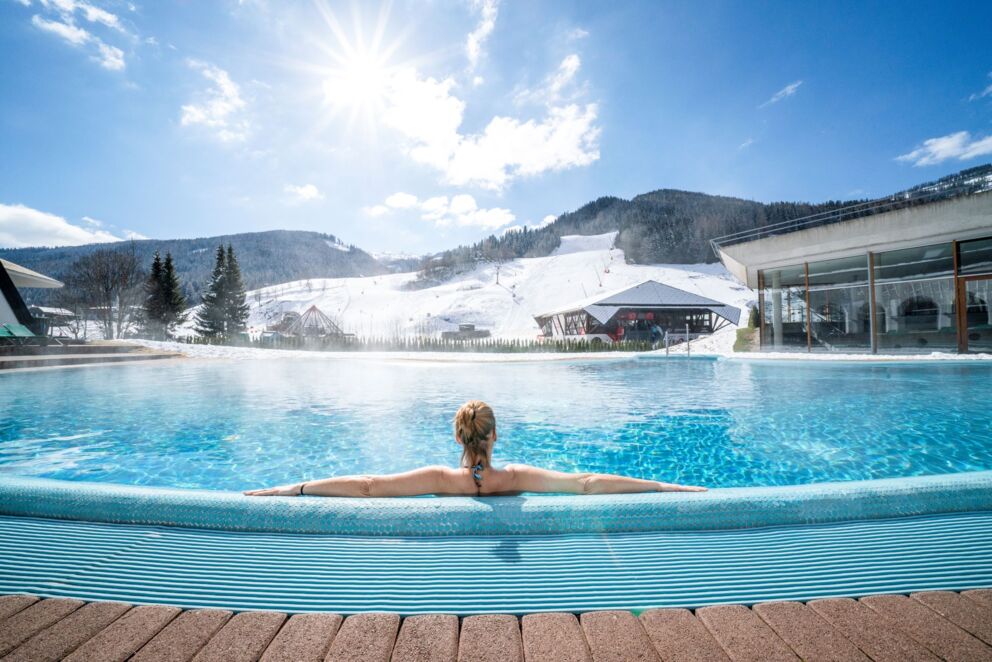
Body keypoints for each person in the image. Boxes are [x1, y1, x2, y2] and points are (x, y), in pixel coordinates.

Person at [244, 400, 707, 498]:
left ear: (458, 438)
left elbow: (367, 487)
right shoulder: (515, 478)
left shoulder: (441, 480)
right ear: (495, 435)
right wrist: (667, 486)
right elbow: (587, 484)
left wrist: (295, 488)